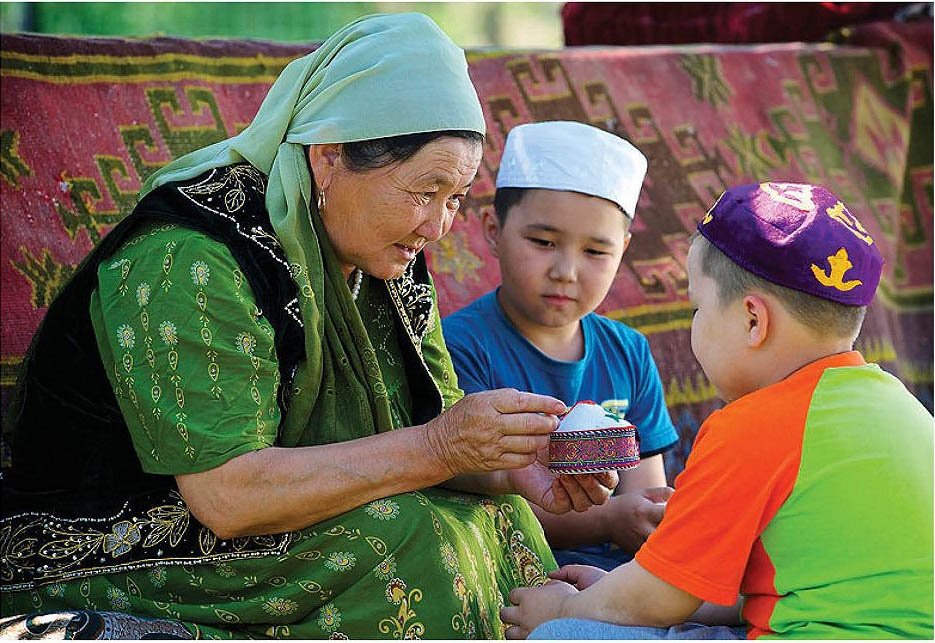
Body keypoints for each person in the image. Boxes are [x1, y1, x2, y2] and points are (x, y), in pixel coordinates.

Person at [0, 14, 619, 639]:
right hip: (97, 539)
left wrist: (512, 465)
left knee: (498, 514)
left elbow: (436, 431)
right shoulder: (190, 256)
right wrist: (442, 447)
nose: (437, 227)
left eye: (455, 199)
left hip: (258, 515)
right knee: (412, 538)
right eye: (423, 191)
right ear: (328, 158)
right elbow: (228, 497)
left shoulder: (386, 254)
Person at [501, 182, 934, 639]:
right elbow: (770, 587)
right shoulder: (899, 405)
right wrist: (612, 594)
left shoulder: (754, 425)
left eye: (697, 308)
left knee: (564, 636)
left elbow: (658, 596)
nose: (695, 325)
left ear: (753, 320)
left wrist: (566, 608)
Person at [443, 121, 679, 571]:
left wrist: (645, 519)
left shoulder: (628, 352)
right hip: (509, 571)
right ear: (492, 228)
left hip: (617, 579)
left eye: (595, 252)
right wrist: (607, 520)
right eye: (544, 242)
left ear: (623, 250)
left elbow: (643, 491)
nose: (566, 271)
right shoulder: (460, 347)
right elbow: (486, 502)